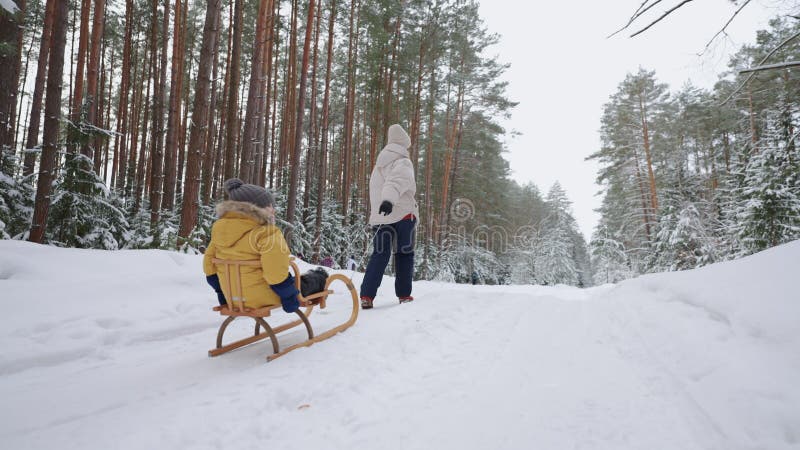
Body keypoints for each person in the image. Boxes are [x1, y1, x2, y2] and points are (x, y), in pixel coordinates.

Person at [203, 178, 300, 313]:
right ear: (258, 208)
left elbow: (209, 268)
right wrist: (289, 297)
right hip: (264, 297)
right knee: (308, 281)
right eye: (270, 206)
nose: (273, 210)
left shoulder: (218, 232)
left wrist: (221, 293)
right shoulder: (267, 234)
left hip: (232, 297)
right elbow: (275, 273)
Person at [360, 124, 418, 309]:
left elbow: (378, 188)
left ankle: (367, 295)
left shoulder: (379, 165)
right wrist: (389, 200)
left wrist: (382, 206)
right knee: (404, 253)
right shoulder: (403, 162)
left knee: (379, 254)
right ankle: (404, 294)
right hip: (402, 214)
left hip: (381, 217)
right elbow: (395, 182)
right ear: (404, 143)